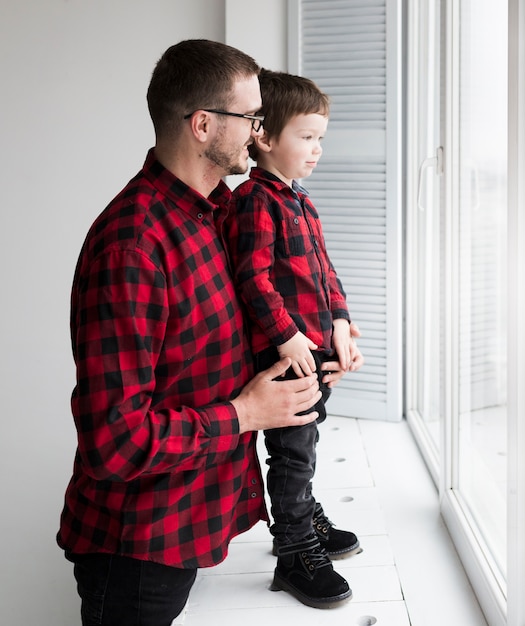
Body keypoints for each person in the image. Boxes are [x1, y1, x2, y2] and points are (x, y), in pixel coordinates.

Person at [57, 40, 358, 626]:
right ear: (202, 125)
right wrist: (246, 414)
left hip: (188, 522)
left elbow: (267, 300)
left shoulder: (222, 214)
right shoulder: (134, 245)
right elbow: (114, 441)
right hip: (138, 549)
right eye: (251, 117)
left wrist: (325, 336)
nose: (259, 129)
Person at [224, 69, 364, 610]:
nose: (317, 149)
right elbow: (252, 279)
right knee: (292, 453)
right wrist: (288, 337)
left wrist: (340, 325)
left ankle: (302, 513)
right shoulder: (256, 201)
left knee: (305, 446)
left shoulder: (299, 200)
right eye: (306, 137)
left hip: (313, 348)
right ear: (263, 136)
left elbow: (325, 273)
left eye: (320, 138)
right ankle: (294, 549)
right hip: (285, 357)